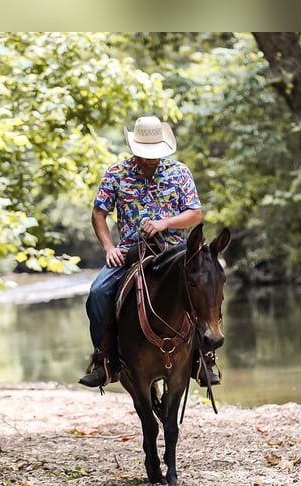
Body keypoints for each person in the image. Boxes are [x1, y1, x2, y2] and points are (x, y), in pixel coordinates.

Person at [78, 115, 220, 389]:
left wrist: (165, 223)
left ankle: (205, 358)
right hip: (132, 250)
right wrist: (109, 248)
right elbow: (99, 213)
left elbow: (195, 214)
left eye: (155, 153)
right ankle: (105, 359)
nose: (151, 159)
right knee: (97, 294)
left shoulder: (180, 173)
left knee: (205, 286)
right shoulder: (116, 174)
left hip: (177, 252)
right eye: (145, 154)